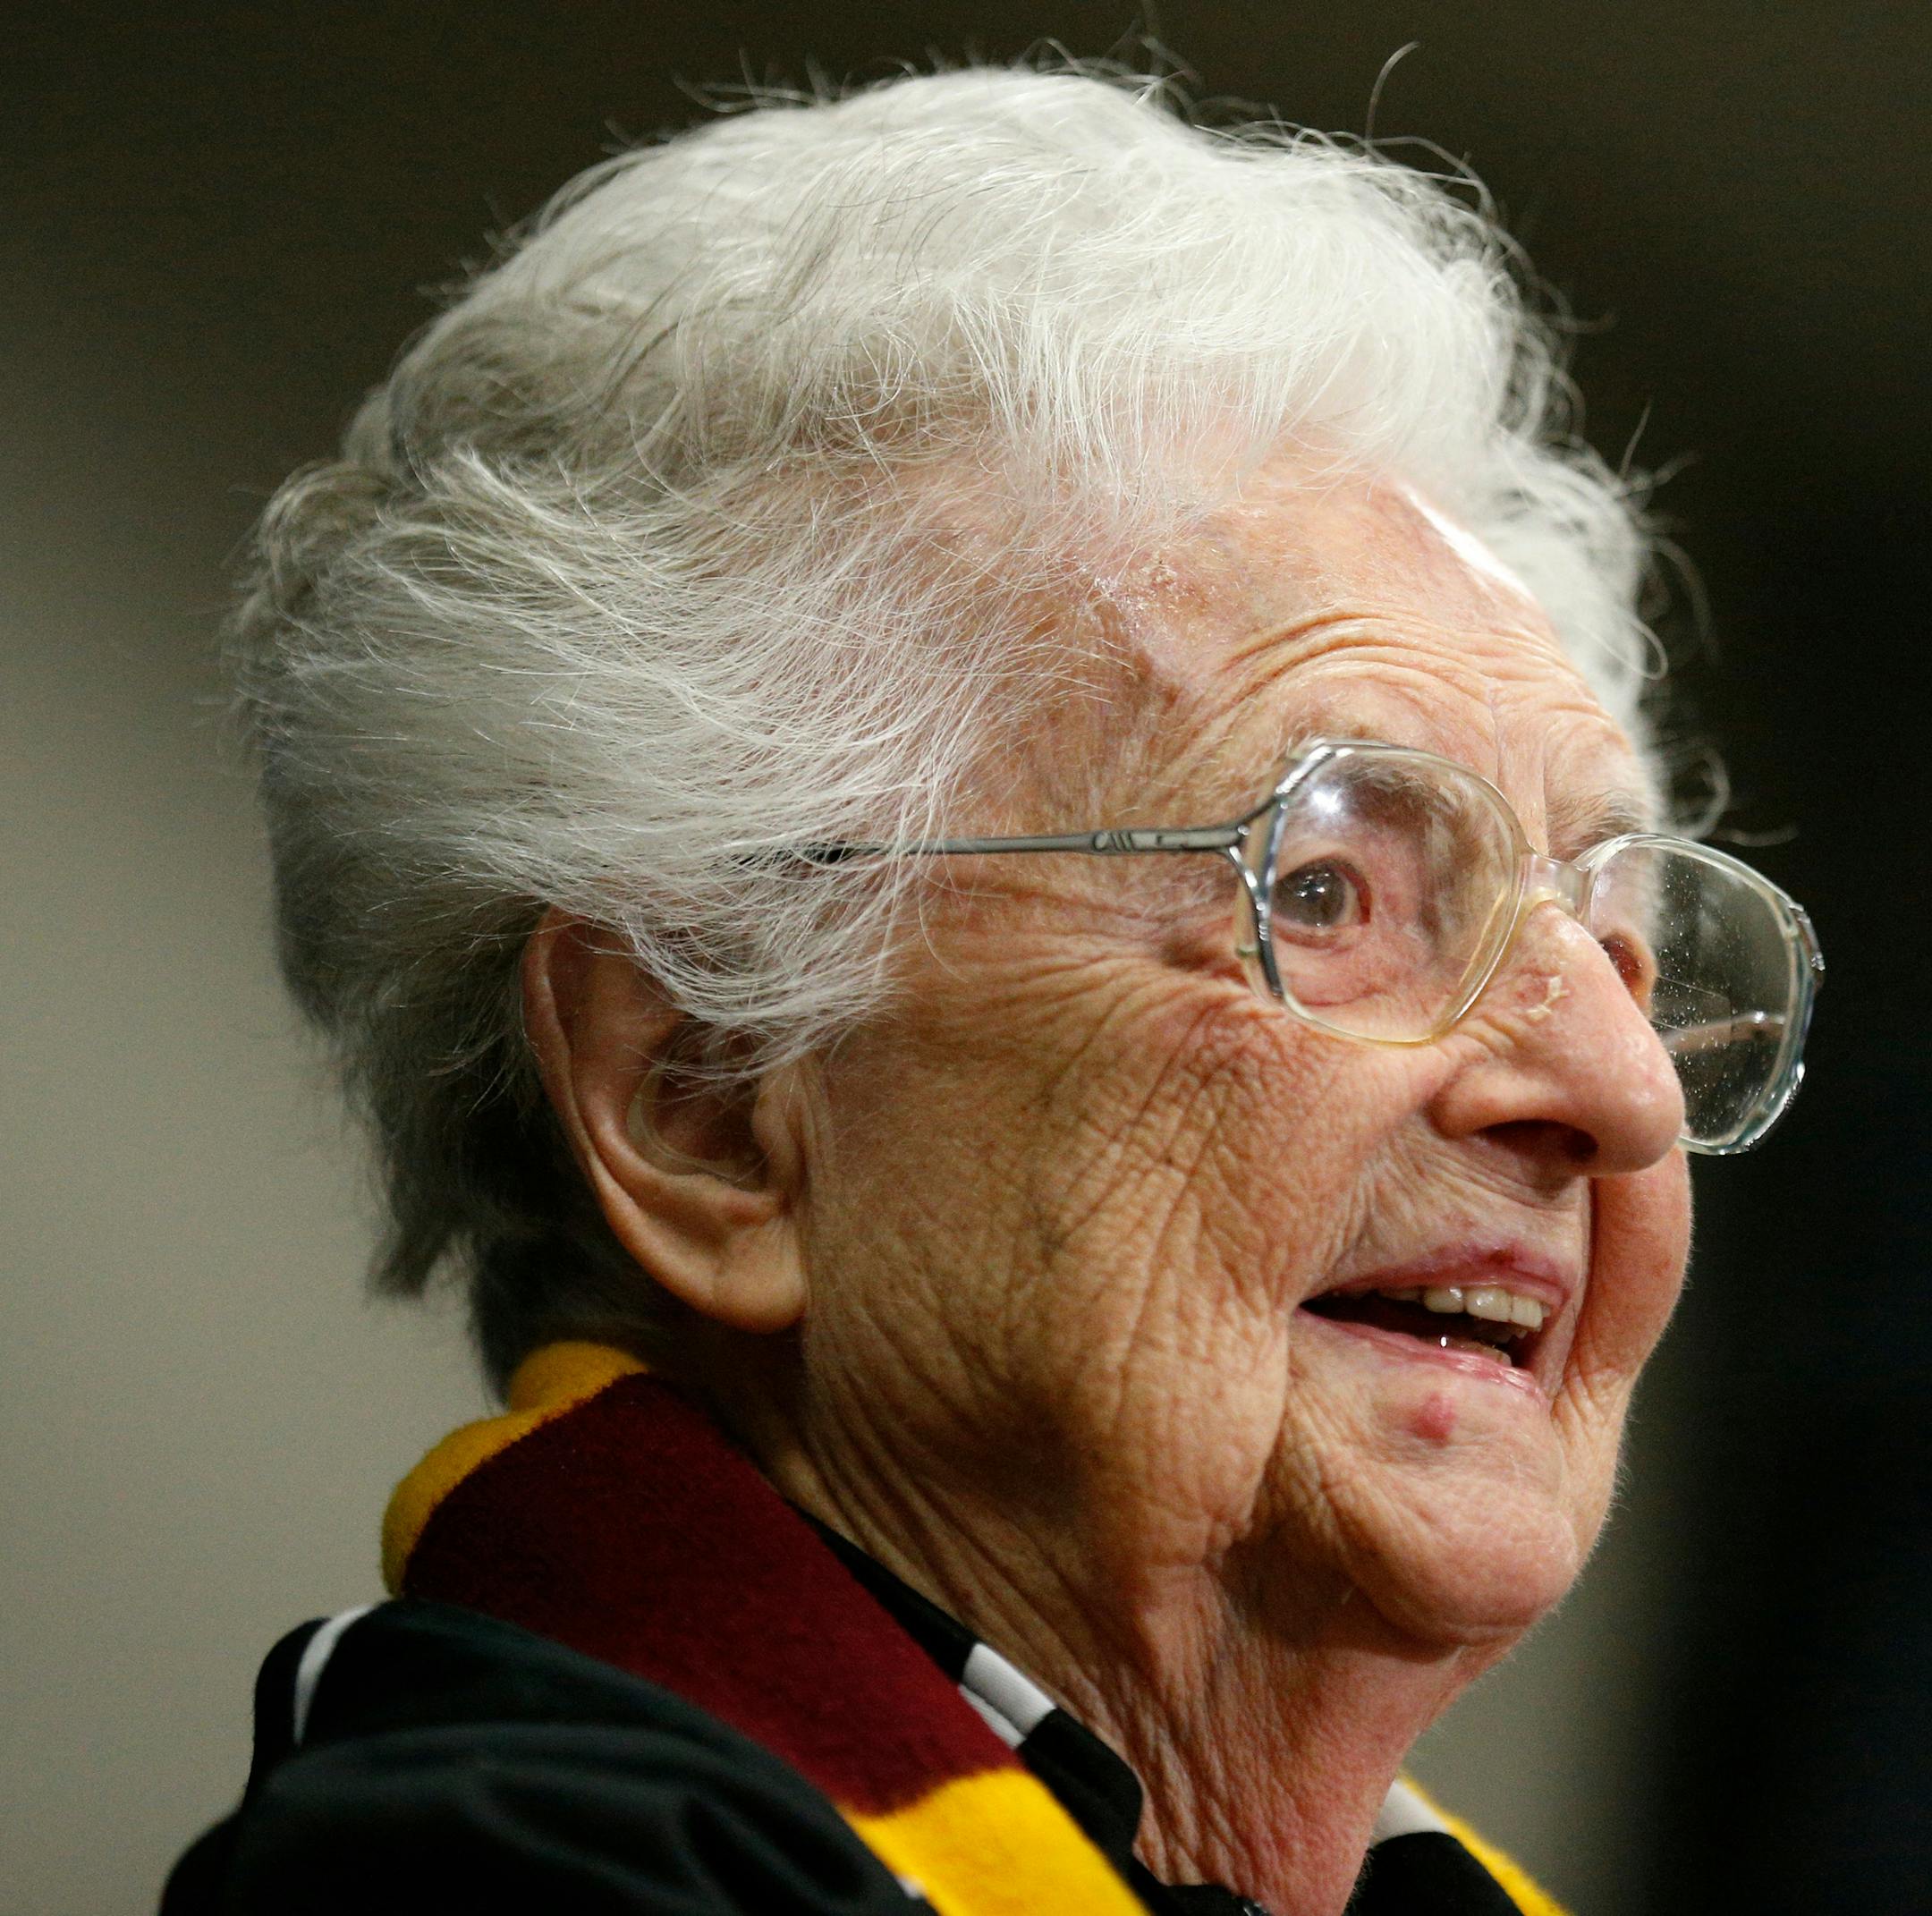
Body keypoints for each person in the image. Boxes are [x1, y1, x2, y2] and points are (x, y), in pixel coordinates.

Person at [162, 63, 1822, 1916]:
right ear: (707, 1093)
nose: (1620, 1087)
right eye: (1328, 886)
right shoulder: (495, 1880)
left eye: (1612, 941)